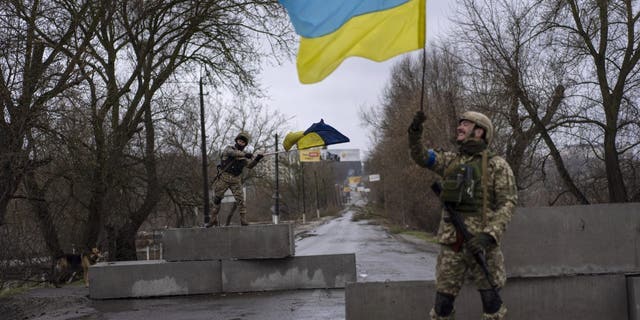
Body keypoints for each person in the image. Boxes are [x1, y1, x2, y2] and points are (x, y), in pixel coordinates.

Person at [408, 110, 517, 320]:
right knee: (442, 307)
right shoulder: (450, 161)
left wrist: (488, 236)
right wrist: (415, 130)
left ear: (479, 132)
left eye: (465, 124)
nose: (460, 127)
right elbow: (421, 156)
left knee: (492, 306)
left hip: (483, 247)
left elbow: (508, 203)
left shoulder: (497, 165)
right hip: (453, 245)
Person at [205, 132, 264, 227]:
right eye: (240, 141)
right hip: (224, 178)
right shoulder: (229, 149)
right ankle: (213, 218)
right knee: (217, 198)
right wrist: (245, 154)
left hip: (236, 180)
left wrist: (257, 159)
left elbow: (249, 165)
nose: (241, 143)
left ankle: (243, 220)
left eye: (243, 142)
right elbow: (233, 153)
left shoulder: (243, 158)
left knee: (241, 200)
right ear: (236, 141)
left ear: (245, 144)